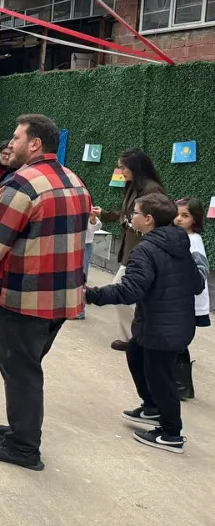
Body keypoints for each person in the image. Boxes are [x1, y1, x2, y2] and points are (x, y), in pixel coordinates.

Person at [0, 114, 90, 471]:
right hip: (63, 299)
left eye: (16, 137)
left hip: (24, 298)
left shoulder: (21, 184)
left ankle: (25, 447)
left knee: (21, 369)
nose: (11, 144)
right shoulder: (75, 181)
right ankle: (19, 427)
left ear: (35, 144)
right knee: (28, 365)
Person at [85, 193, 203, 454]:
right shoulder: (179, 242)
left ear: (148, 219)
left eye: (135, 213)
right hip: (167, 323)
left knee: (161, 379)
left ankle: (171, 434)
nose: (131, 217)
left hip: (162, 328)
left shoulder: (146, 250)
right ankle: (151, 408)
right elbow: (197, 283)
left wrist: (91, 294)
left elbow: (129, 291)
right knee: (135, 354)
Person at [93, 149, 165, 352]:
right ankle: (135, 337)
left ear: (136, 167)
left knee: (122, 291)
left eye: (123, 167)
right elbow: (127, 214)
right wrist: (104, 214)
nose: (121, 171)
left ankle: (135, 338)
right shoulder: (135, 186)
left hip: (142, 251)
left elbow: (154, 221)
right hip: (133, 250)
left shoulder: (153, 191)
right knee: (135, 296)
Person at [173, 197, 210, 400]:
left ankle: (182, 385)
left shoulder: (193, 240)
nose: (178, 219)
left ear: (194, 219)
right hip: (182, 301)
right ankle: (180, 384)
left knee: (179, 342)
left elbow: (201, 272)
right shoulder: (179, 237)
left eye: (184, 216)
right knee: (178, 342)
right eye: (177, 214)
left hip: (190, 303)